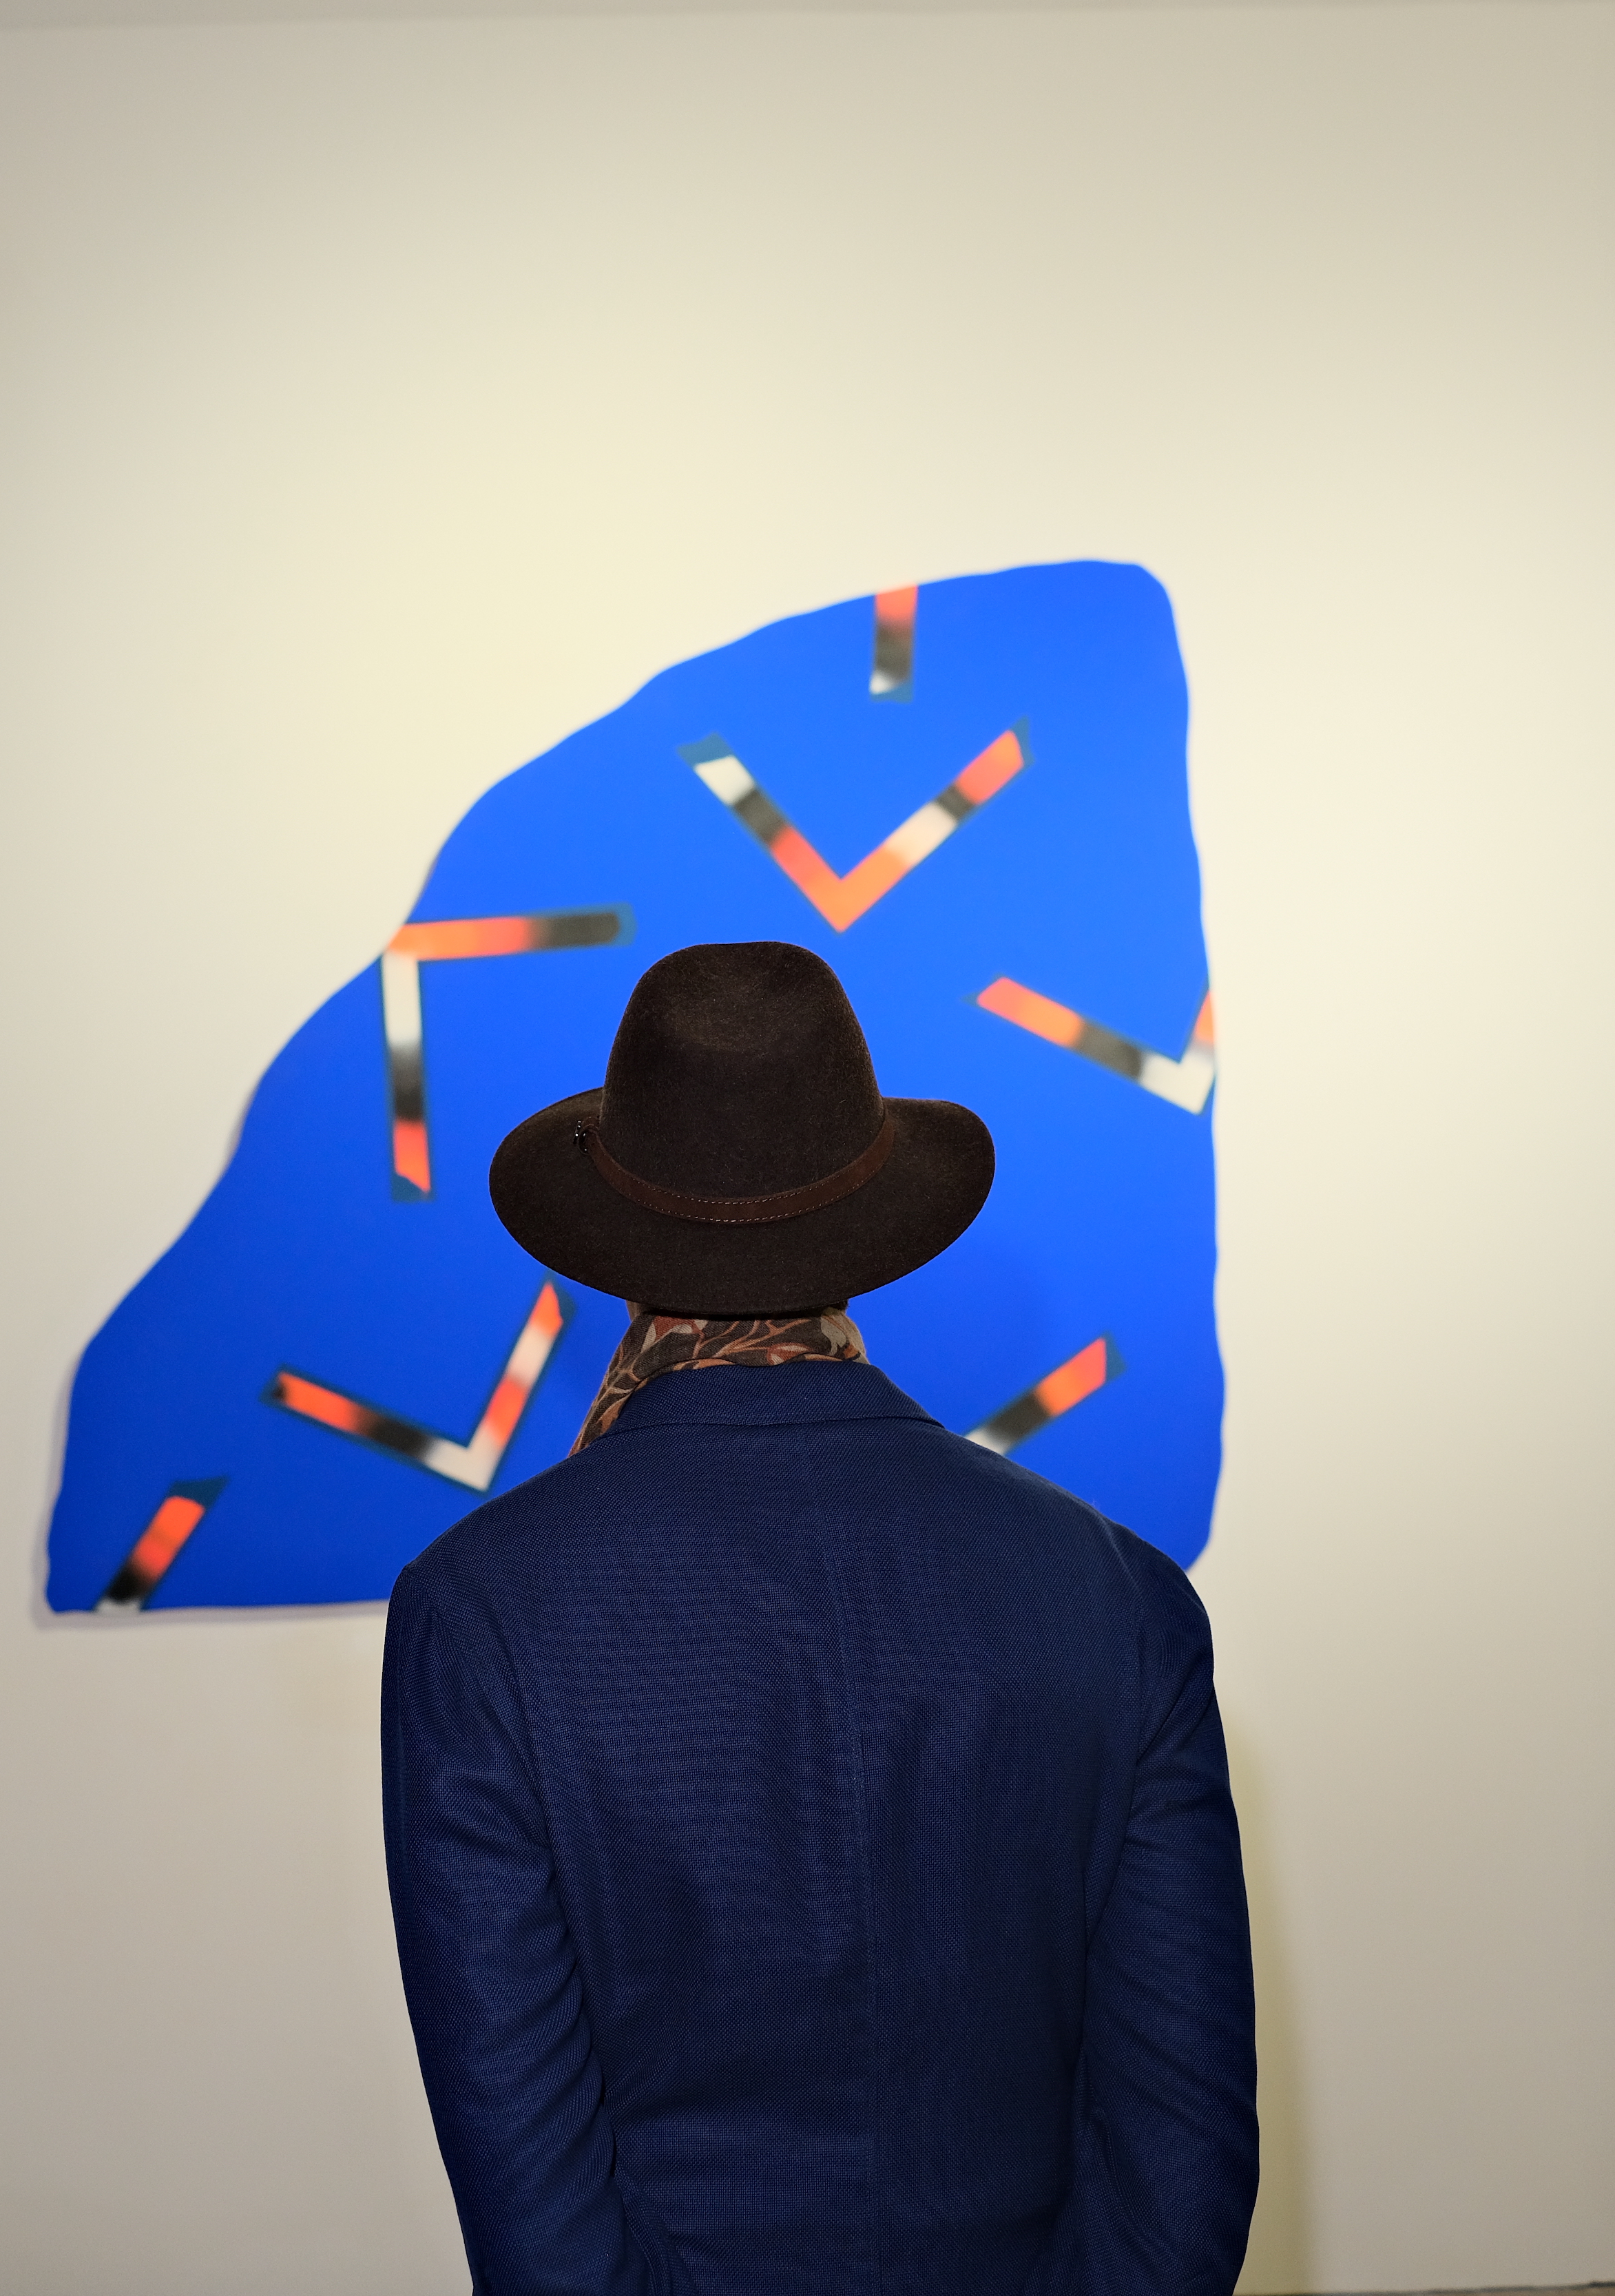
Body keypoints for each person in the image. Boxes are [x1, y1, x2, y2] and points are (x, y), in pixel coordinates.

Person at [382, 940, 1258, 2296]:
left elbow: (527, 2186)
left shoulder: (478, 1613)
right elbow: (1179, 2155)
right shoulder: (1119, 1594)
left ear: (621, 1240)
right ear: (869, 1217)